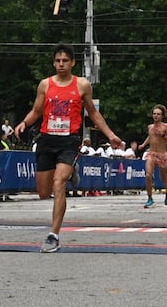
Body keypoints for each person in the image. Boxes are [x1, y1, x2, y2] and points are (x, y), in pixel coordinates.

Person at [14, 43, 125, 252]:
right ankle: (71, 170)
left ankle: (53, 235)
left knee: (59, 183)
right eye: (57, 61)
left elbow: (93, 113)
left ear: (73, 63)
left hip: (69, 141)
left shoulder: (82, 85)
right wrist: (24, 123)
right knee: (44, 193)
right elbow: (36, 111)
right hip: (47, 139)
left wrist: (110, 135)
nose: (61, 64)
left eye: (65, 61)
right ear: (53, 62)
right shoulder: (45, 85)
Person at [138, 104, 167, 208]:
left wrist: (163, 135)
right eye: (154, 114)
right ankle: (150, 198)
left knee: (164, 178)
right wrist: (143, 145)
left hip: (162, 154)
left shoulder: (166, 126)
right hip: (152, 153)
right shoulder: (150, 127)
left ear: (162, 116)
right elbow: (150, 137)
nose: (156, 116)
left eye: (158, 114)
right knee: (148, 175)